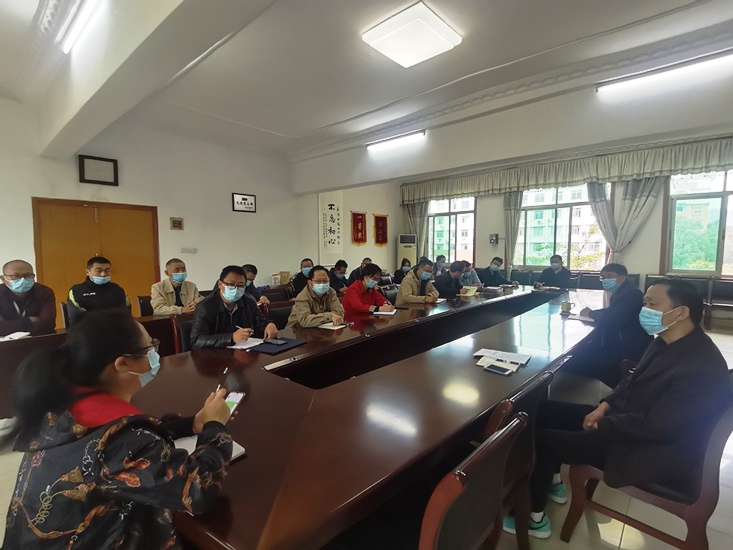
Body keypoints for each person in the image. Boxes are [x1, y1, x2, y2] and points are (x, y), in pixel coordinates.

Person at [503, 279, 732, 540]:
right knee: (543, 412)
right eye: (644, 303)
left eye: (652, 304)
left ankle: (534, 519)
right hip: (627, 421)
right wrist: (605, 404)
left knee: (543, 441)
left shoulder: (700, 365)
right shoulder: (667, 340)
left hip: (647, 449)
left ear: (681, 313)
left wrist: (603, 424)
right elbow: (631, 380)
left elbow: (659, 427)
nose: (644, 310)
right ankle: (551, 480)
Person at [1, 309, 233, 548]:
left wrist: (191, 424)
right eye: (149, 348)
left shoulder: (60, 408)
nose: (155, 354)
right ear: (122, 364)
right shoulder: (117, 440)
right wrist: (215, 427)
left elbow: (138, 437)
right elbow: (197, 490)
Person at [563, 263, 652, 387]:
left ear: (622, 277)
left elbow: (614, 321)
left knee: (572, 363)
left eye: (609, 276)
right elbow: (612, 311)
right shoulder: (623, 290)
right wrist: (592, 312)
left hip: (627, 347)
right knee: (578, 355)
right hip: (620, 341)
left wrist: (591, 314)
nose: (605, 280)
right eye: (603, 277)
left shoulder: (630, 294)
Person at [191, 265, 277, 348]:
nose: (236, 289)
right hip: (216, 354)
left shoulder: (249, 301)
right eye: (231, 284)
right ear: (220, 284)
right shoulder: (205, 306)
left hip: (246, 351)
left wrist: (269, 325)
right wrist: (231, 337)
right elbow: (196, 340)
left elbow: (260, 322)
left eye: (240, 285)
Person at [0, 259, 56, 336]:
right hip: (5, 341)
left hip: (39, 339)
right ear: (3, 279)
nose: (22, 279)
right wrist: (29, 320)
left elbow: (48, 324)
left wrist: (9, 326)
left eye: (28, 275)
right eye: (16, 276)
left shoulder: (44, 292)